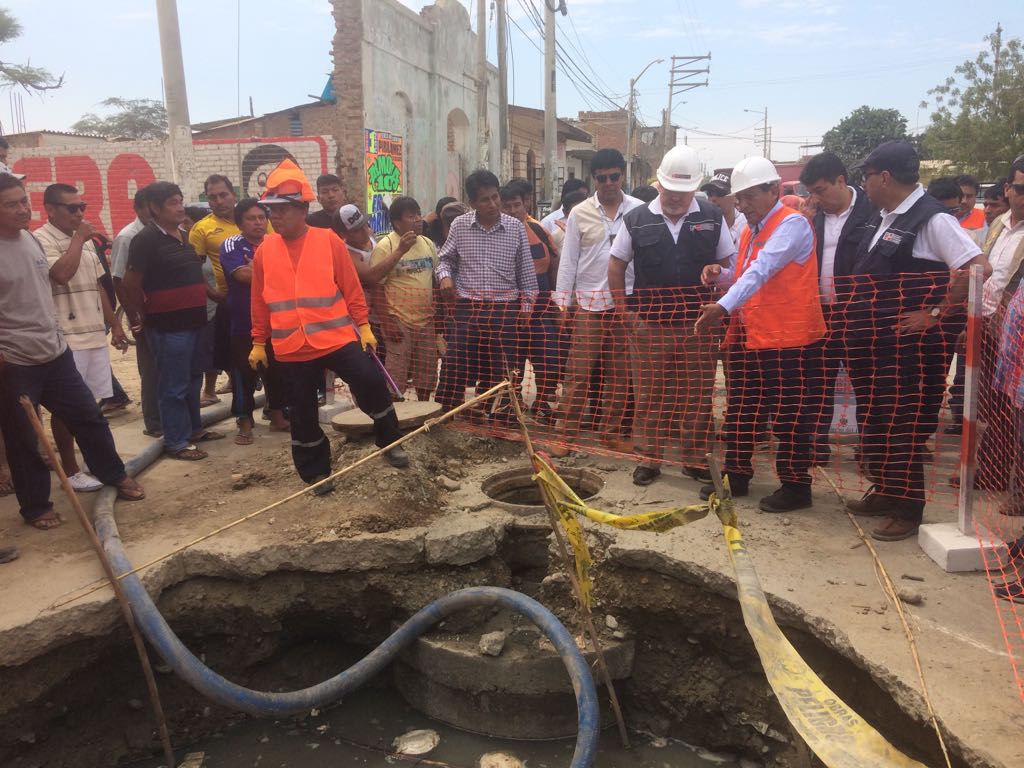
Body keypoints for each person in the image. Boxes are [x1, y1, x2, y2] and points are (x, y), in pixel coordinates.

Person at [839, 141, 989, 541]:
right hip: (870, 342)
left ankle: (908, 509)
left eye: (867, 176)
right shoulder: (882, 215)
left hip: (906, 349)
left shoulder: (932, 220)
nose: (865, 184)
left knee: (899, 424)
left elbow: (978, 267)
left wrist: (937, 312)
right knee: (875, 421)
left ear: (884, 177)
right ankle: (887, 492)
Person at [250, 160, 409, 490]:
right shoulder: (266, 251)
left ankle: (390, 442)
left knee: (370, 383)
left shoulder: (328, 241)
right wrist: (257, 341)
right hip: (292, 348)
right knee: (303, 412)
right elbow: (259, 300)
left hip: (335, 339)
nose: (274, 217)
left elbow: (351, 288)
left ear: (302, 208)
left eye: (281, 210)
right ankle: (315, 471)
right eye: (270, 210)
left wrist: (363, 326)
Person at [0, 173, 144, 530]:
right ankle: (36, 506)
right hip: (14, 361)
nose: (22, 209)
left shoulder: (29, 242)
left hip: (55, 351)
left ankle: (114, 475)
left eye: (23, 201)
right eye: (11, 204)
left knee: (89, 417)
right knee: (23, 440)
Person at [695, 156, 827, 513]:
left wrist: (722, 306)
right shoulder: (750, 231)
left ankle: (797, 487)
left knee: (790, 417)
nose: (742, 205)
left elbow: (763, 270)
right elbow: (743, 275)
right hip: (753, 336)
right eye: (738, 199)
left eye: (749, 196)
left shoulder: (792, 225)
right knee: (743, 411)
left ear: (772, 190)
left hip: (792, 341)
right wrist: (719, 276)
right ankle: (735, 477)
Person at [610, 146, 735, 486]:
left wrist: (717, 272)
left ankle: (694, 458)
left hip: (698, 326)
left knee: (696, 394)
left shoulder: (711, 216)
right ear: (659, 184)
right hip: (649, 325)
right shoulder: (636, 219)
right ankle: (649, 459)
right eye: (670, 190)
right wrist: (625, 315)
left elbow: (730, 264)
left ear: (694, 189)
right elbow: (616, 265)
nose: (676, 198)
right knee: (650, 394)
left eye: (683, 192)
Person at [35, 183, 130, 491]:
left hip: (92, 333)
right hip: (66, 336)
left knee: (93, 402)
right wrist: (77, 239)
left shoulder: (85, 241)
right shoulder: (40, 240)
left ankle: (93, 461)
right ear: (50, 209)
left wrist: (114, 324)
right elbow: (61, 274)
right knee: (68, 409)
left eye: (81, 208)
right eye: (71, 208)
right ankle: (71, 469)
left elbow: (98, 285)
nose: (79, 213)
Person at [550, 150, 643, 454]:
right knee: (578, 373)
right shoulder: (579, 212)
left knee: (620, 374)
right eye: (601, 178)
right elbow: (568, 261)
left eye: (614, 176)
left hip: (625, 305)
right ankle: (565, 434)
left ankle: (611, 434)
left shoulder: (640, 211)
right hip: (588, 306)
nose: (608, 183)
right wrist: (563, 304)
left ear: (622, 176)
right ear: (594, 180)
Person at [123, 182, 223, 461]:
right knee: (173, 386)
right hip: (168, 327)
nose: (180, 207)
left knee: (192, 380)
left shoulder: (183, 235)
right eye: (172, 203)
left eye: (180, 201)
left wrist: (215, 295)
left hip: (195, 321)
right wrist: (140, 314)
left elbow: (194, 275)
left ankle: (194, 430)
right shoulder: (145, 240)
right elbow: (131, 283)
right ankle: (176, 442)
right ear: (155, 208)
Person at [434, 170, 538, 415]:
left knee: (505, 369)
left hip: (504, 310)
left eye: (495, 197)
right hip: (467, 308)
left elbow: (527, 274)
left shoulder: (515, 228)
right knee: (454, 364)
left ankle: (506, 419)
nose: (493, 204)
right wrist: (445, 278)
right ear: (472, 203)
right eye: (485, 200)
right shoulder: (460, 226)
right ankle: (445, 414)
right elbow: (444, 260)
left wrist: (526, 307)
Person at [800, 152, 875, 462]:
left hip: (859, 314)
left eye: (820, 190)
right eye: (811, 192)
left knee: (867, 382)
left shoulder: (873, 213)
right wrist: (805, 219)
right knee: (816, 380)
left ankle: (870, 447)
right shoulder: (813, 217)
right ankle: (817, 444)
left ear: (841, 181)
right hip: (820, 313)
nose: (815, 197)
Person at [960, 160, 1024, 490]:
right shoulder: (998, 224)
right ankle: (991, 470)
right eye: (1022, 190)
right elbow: (984, 272)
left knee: (1016, 407)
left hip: (1016, 332)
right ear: (1008, 190)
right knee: (990, 404)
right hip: (985, 323)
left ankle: (1012, 483)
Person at [219, 199, 290, 444]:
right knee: (244, 373)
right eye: (252, 218)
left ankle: (278, 418)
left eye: (262, 217)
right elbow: (242, 275)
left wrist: (259, 270)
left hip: (276, 320)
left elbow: (287, 273)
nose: (258, 222)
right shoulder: (231, 244)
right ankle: (245, 422)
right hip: (243, 321)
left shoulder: (274, 243)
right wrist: (274, 273)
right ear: (240, 222)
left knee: (278, 371)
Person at [500, 180, 561, 421]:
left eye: (517, 204)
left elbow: (555, 265)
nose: (513, 210)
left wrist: (557, 302)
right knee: (508, 364)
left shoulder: (539, 231)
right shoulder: (498, 235)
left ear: (526, 203)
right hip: (510, 315)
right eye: (508, 206)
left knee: (550, 360)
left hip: (540, 312)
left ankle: (542, 403)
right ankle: (509, 407)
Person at [369, 196, 440, 401]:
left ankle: (423, 412)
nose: (418, 219)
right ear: (397, 222)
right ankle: (397, 417)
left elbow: (434, 280)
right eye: (411, 216)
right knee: (396, 375)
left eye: (418, 214)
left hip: (426, 320)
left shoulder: (427, 243)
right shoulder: (386, 246)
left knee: (426, 372)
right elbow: (376, 287)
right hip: (399, 321)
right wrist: (387, 322)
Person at [111, 186, 162, 437]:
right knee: (151, 368)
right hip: (143, 313)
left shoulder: (162, 233)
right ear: (141, 208)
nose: (154, 212)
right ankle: (154, 423)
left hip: (163, 312)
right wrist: (133, 315)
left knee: (168, 367)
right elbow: (119, 280)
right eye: (151, 207)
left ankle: (169, 417)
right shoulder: (128, 237)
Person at [189, 176, 240, 407]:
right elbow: (193, 267)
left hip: (263, 299)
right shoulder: (202, 229)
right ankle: (239, 410)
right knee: (232, 356)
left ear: (234, 195)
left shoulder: (254, 218)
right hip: (229, 302)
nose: (219, 201)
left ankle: (275, 408)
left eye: (223, 195)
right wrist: (210, 292)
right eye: (213, 197)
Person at [701, 172, 747, 246]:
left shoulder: (747, 224)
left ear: (735, 197)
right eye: (709, 194)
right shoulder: (702, 224)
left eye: (719, 193)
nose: (713, 198)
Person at [306, 174, 348, 238]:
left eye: (335, 190)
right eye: (325, 192)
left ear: (343, 193)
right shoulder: (311, 223)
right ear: (319, 199)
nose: (331, 195)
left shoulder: (352, 217)